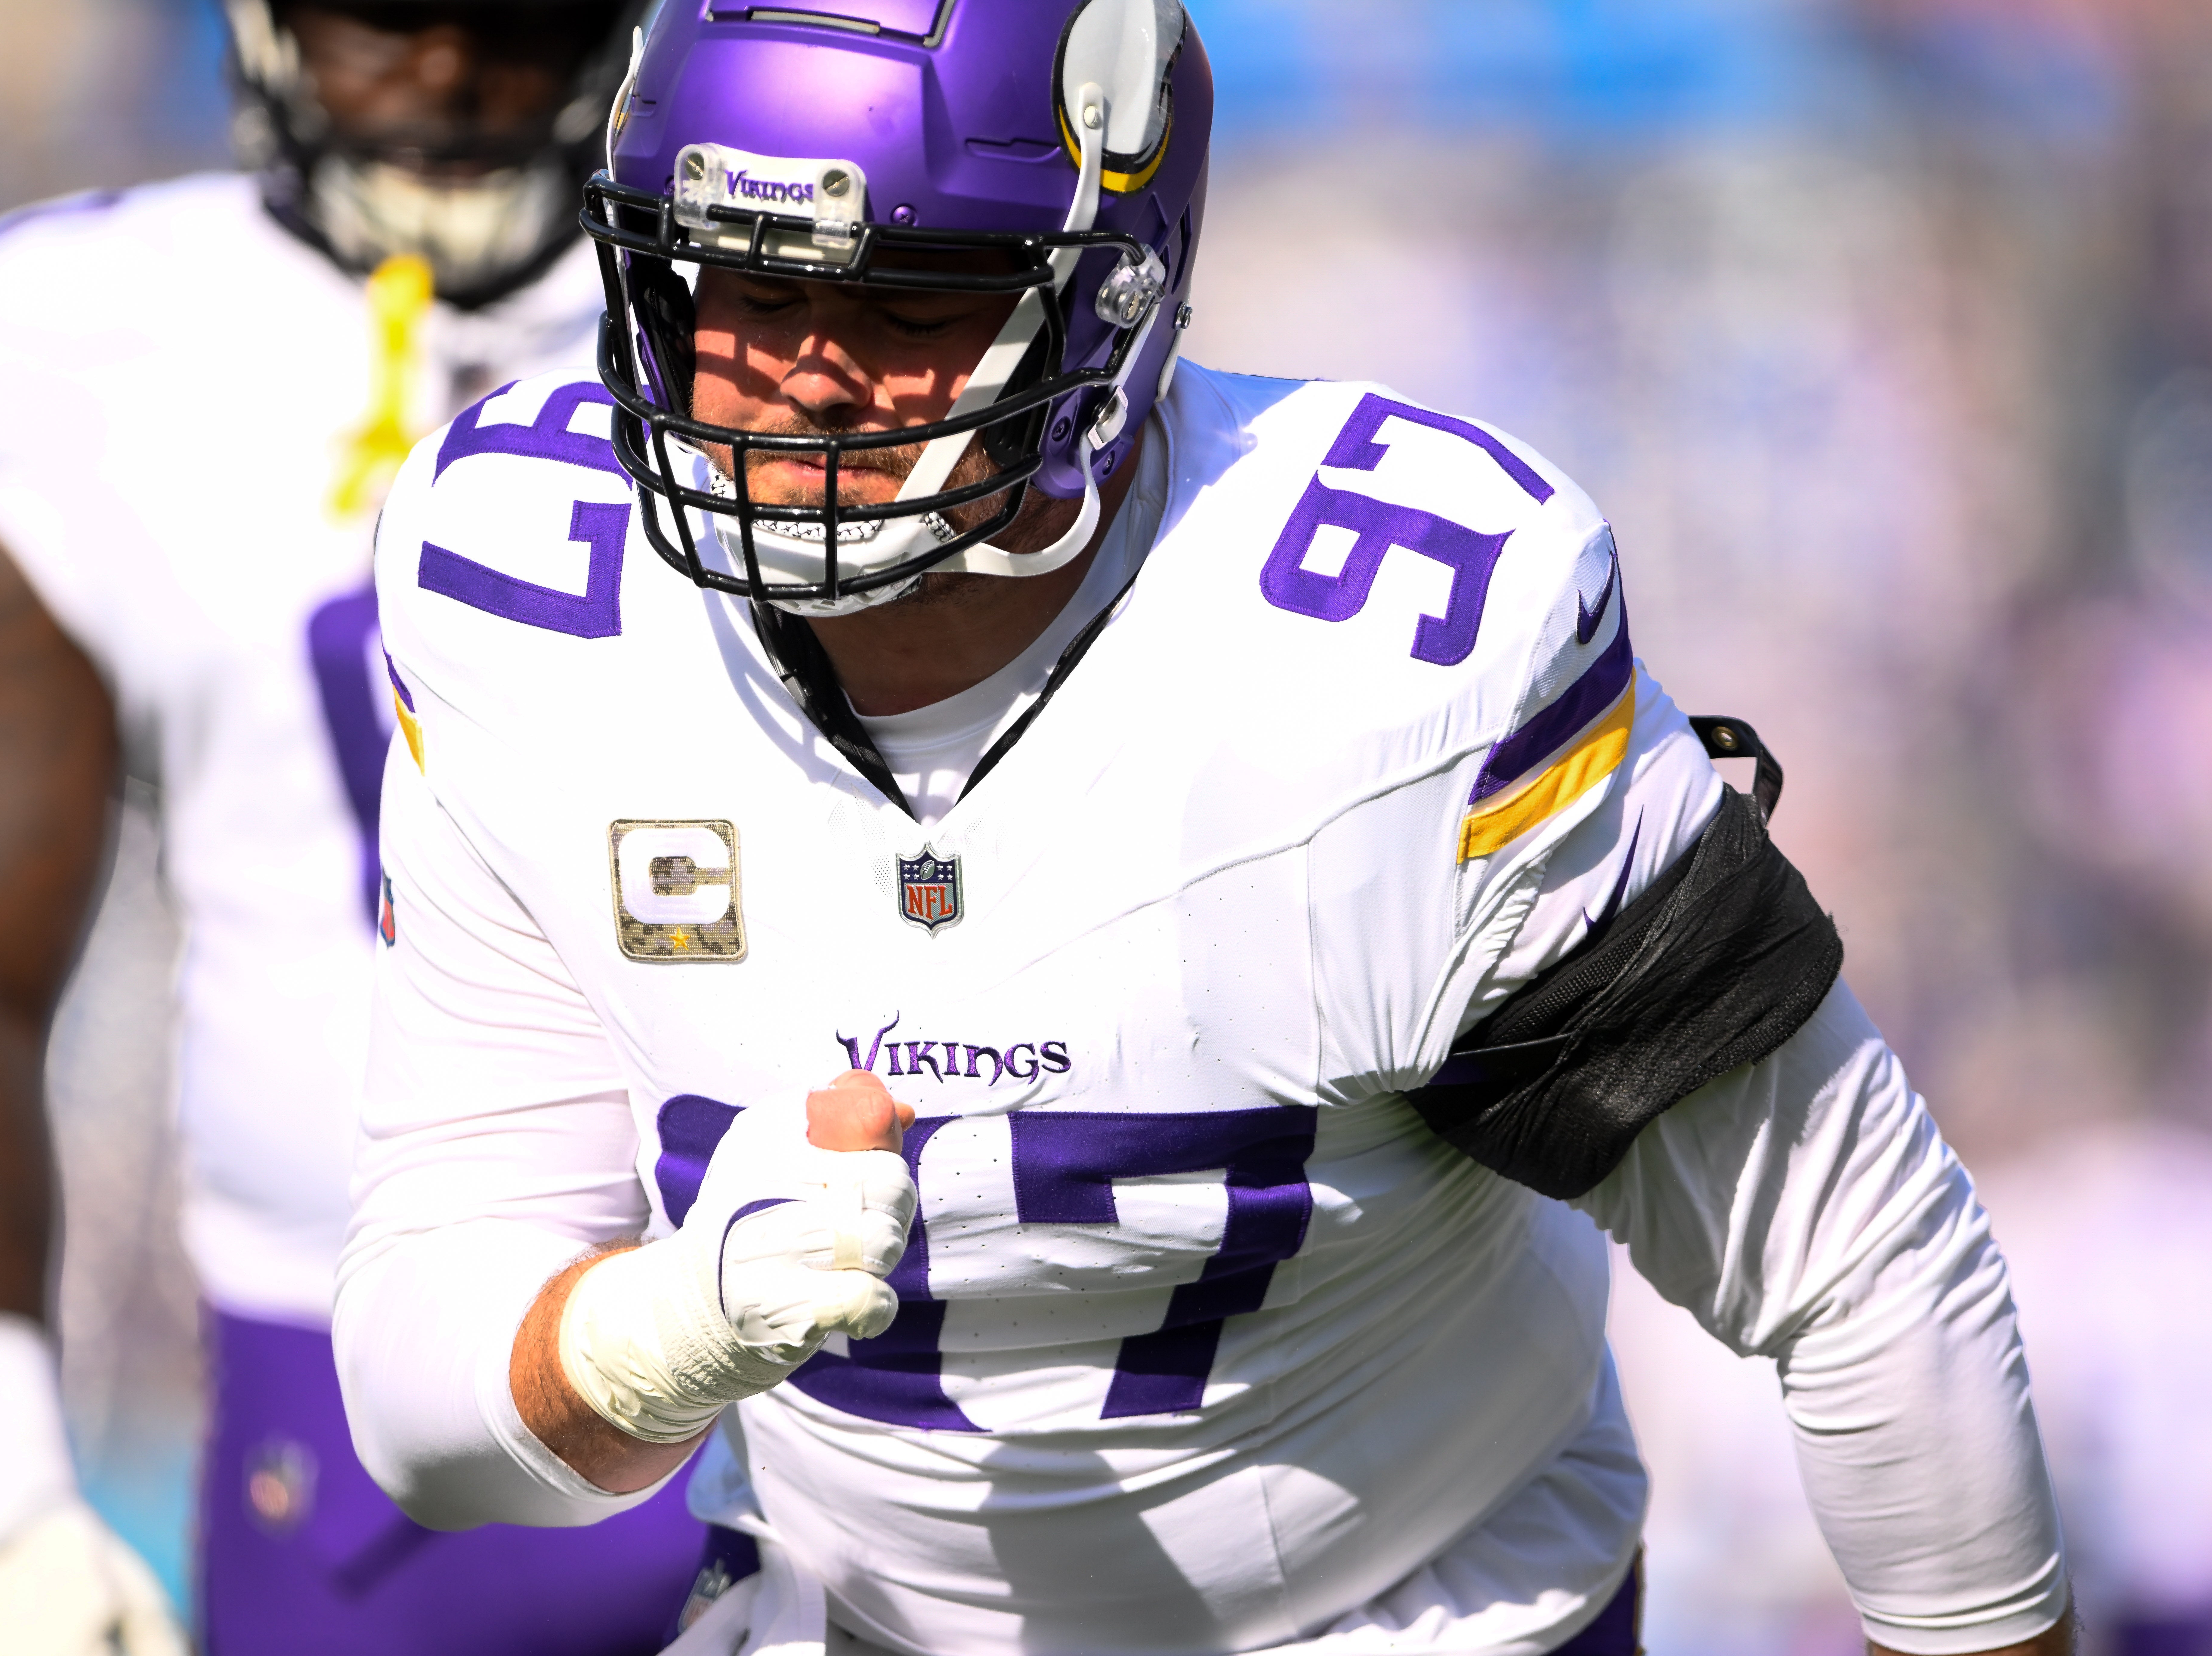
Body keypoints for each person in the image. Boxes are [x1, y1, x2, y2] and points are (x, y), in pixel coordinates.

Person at [335, 2, 2079, 1653]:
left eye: (911, 296)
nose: (796, 372)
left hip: (1423, 1610)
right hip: (846, 1612)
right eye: (729, 272)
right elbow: (423, 1389)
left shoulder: (1402, 665)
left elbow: (1858, 1264)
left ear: (1108, 300)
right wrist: (663, 1338)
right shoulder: (526, 600)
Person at [0, 3, 721, 1651]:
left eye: (513, 14)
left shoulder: (788, 291)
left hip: (812, 1358)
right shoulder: (72, 337)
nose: (446, 71)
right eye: (380, 14)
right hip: (345, 1396)